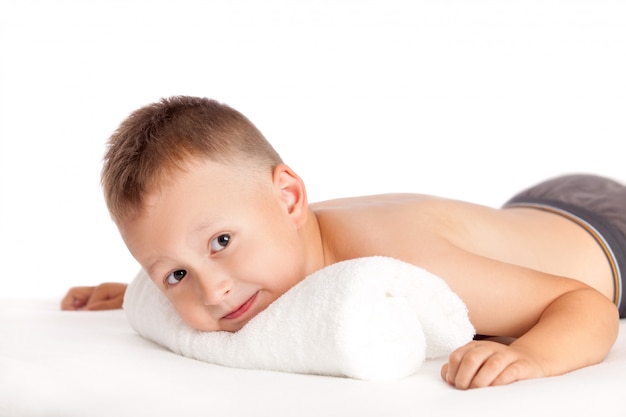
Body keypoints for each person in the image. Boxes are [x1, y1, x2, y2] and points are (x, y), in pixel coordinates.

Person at [61, 95, 624, 389]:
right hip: (522, 216)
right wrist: (147, 290)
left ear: (288, 198)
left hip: (606, 232)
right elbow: (192, 261)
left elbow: (583, 304)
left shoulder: (406, 260)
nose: (213, 293)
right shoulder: (264, 244)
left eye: (221, 242)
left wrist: (526, 355)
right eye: (175, 275)